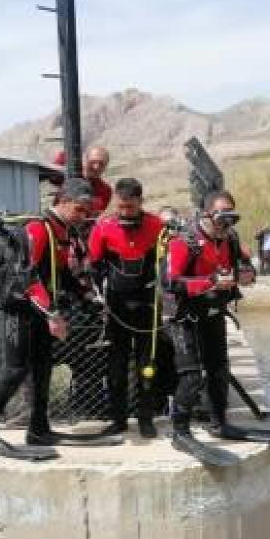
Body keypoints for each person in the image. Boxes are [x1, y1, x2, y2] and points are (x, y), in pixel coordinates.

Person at [0, 179, 111, 461]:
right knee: (16, 370)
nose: (83, 215)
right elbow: (28, 277)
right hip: (21, 309)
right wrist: (53, 314)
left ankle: (38, 429)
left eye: (87, 211)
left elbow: (62, 274)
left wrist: (89, 298)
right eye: (79, 209)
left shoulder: (62, 231)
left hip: (40, 311)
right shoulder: (38, 229)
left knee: (43, 368)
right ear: (62, 201)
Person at [164, 191, 270, 466]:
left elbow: (243, 266)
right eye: (221, 217)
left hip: (213, 312)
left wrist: (246, 274)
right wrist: (211, 281)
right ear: (206, 214)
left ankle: (219, 422)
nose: (226, 224)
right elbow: (171, 282)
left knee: (218, 369)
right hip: (183, 316)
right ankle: (179, 431)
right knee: (191, 376)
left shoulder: (231, 238)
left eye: (231, 218)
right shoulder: (184, 241)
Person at [88, 178, 166, 439]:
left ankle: (146, 418)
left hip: (147, 304)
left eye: (130, 207)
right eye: (120, 207)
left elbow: (167, 262)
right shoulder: (103, 227)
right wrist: (97, 296)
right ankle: (118, 420)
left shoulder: (156, 225)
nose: (125, 212)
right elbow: (94, 265)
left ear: (140, 202)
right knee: (116, 366)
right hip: (116, 306)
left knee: (147, 364)